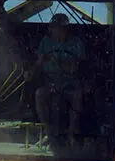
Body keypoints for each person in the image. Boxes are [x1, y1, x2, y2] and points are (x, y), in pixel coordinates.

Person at [34, 13, 86, 145]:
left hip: (71, 83)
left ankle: (72, 134)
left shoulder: (76, 43)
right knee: (39, 94)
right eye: (54, 27)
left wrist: (59, 62)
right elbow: (39, 63)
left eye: (60, 27)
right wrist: (31, 72)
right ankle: (48, 132)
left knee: (77, 96)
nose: (56, 30)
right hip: (49, 81)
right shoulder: (45, 42)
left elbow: (77, 67)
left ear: (66, 28)